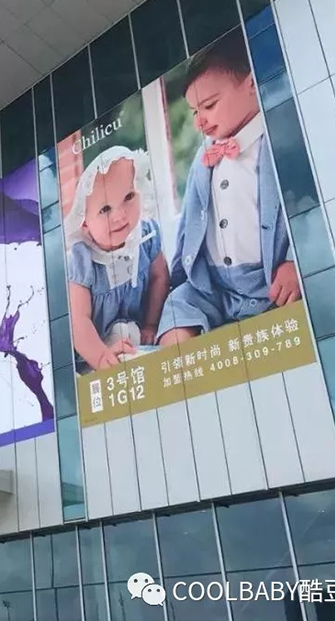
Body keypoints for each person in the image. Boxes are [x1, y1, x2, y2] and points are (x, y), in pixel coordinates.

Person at [157, 29, 300, 347]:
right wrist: (177, 280)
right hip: (212, 287)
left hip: (269, 279)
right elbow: (189, 223)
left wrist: (295, 261)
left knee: (297, 305)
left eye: (209, 106)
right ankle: (184, 367)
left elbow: (308, 205)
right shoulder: (203, 158)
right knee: (177, 315)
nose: (200, 121)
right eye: (195, 112)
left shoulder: (282, 140)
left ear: (252, 84)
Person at [65, 145, 170, 371]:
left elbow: (160, 278)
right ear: (84, 223)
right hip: (97, 346)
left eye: (128, 197)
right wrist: (101, 358)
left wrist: (151, 324)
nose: (120, 216)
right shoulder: (82, 260)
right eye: (105, 209)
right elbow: (78, 321)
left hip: (137, 332)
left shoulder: (146, 235)